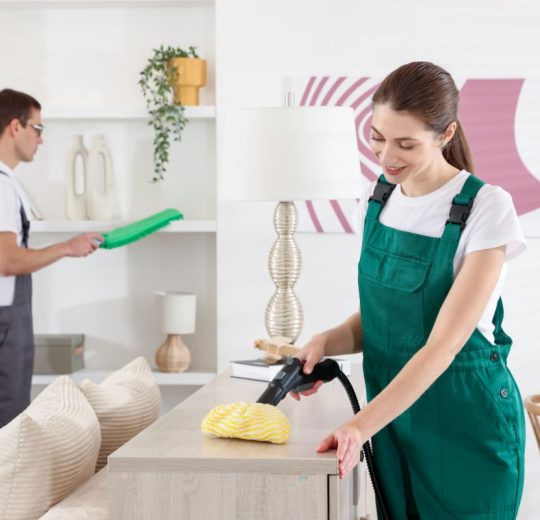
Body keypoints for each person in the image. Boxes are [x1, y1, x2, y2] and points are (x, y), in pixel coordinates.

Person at [291, 62, 526, 519]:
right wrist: (326, 341)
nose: (387, 156)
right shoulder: (375, 200)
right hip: (394, 418)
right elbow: (385, 321)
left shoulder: (486, 207)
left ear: (445, 133)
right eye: (377, 137)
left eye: (406, 144)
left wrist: (359, 426)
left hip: (466, 421)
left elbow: (442, 346)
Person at [0, 88, 102, 428]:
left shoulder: (8, 182)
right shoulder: (1, 186)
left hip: (10, 321)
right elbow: (7, 261)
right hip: (5, 326)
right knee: (8, 428)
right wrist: (67, 248)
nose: (41, 139)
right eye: (38, 128)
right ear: (16, 127)